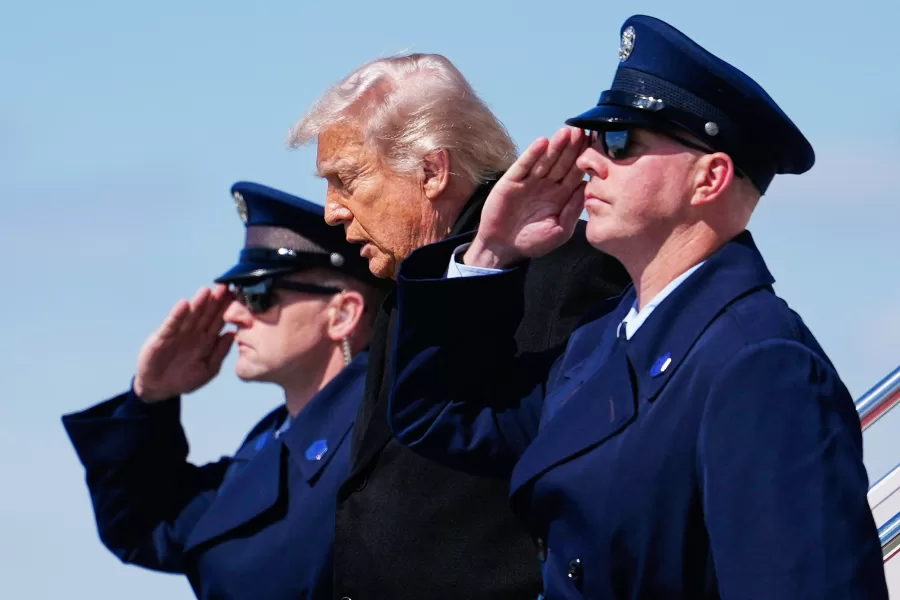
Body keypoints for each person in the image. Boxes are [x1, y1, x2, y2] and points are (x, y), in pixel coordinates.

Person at [386, 15, 888, 599]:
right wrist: (490, 252)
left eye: (621, 142)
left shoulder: (760, 363)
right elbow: (440, 415)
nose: (590, 162)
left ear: (710, 178)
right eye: (595, 140)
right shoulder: (602, 342)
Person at [288, 53, 630, 598]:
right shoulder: (407, 292)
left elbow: (592, 492)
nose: (332, 211)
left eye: (347, 179)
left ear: (432, 171)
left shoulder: (570, 273)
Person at [62, 182, 383, 600]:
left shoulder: (384, 439)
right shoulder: (273, 442)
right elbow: (145, 527)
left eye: (258, 295)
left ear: (342, 313)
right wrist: (149, 399)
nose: (232, 313)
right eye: (236, 295)